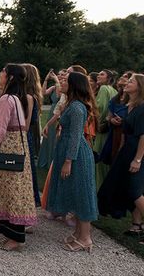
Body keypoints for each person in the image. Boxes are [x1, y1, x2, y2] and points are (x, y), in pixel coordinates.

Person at [0, 64, 37, 251]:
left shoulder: (7, 99)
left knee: (11, 192)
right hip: (17, 149)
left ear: (11, 78)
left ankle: (15, 238)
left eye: (3, 72)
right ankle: (12, 235)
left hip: (9, 148)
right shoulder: (15, 98)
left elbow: (0, 128)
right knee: (13, 190)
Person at [46, 71, 99, 252]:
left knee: (81, 194)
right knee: (74, 192)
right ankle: (78, 233)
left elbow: (76, 136)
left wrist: (68, 161)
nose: (62, 82)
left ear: (74, 85)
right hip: (68, 150)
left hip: (76, 155)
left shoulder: (77, 107)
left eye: (66, 81)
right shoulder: (72, 104)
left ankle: (85, 238)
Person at [98, 74, 144, 239]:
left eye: (131, 81)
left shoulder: (142, 107)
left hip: (137, 154)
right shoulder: (130, 105)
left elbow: (143, 136)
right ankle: (136, 225)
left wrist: (137, 159)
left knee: (135, 190)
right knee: (129, 189)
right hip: (126, 152)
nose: (127, 82)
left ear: (140, 87)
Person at [93, 70, 118, 187]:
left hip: (101, 128)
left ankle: (98, 187)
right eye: (99, 73)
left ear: (108, 78)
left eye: (102, 74)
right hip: (110, 129)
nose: (98, 75)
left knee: (98, 159)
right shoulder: (114, 90)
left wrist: (95, 123)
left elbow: (100, 108)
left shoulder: (103, 89)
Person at [23, 63, 43, 207]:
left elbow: (26, 124)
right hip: (27, 136)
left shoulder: (29, 97)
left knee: (26, 172)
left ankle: (29, 205)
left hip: (25, 137)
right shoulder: (30, 95)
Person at [38, 69, 61, 169]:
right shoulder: (54, 87)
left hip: (58, 112)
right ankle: (46, 160)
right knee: (49, 135)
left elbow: (59, 96)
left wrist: (57, 80)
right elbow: (43, 93)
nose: (59, 76)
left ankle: (53, 161)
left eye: (62, 74)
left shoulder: (63, 88)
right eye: (58, 74)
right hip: (52, 111)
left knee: (55, 137)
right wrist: (46, 80)